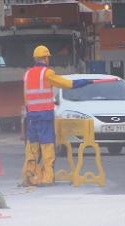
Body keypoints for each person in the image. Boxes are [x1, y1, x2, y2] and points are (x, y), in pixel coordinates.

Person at [22, 45, 92, 186]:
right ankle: (47, 178)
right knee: (47, 147)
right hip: (44, 116)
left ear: (35, 58)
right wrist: (83, 82)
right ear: (46, 58)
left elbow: (26, 96)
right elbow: (66, 84)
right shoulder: (47, 73)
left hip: (31, 116)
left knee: (32, 147)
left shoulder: (27, 74)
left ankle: (30, 177)